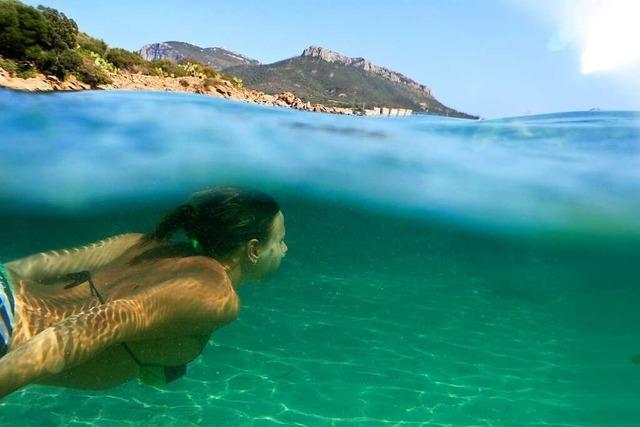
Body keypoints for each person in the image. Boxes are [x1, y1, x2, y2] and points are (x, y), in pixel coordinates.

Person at [0, 186, 288, 398]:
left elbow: (25, 269)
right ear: (253, 249)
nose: (285, 250)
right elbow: (101, 323)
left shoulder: (141, 244)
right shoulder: (216, 295)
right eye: (280, 241)